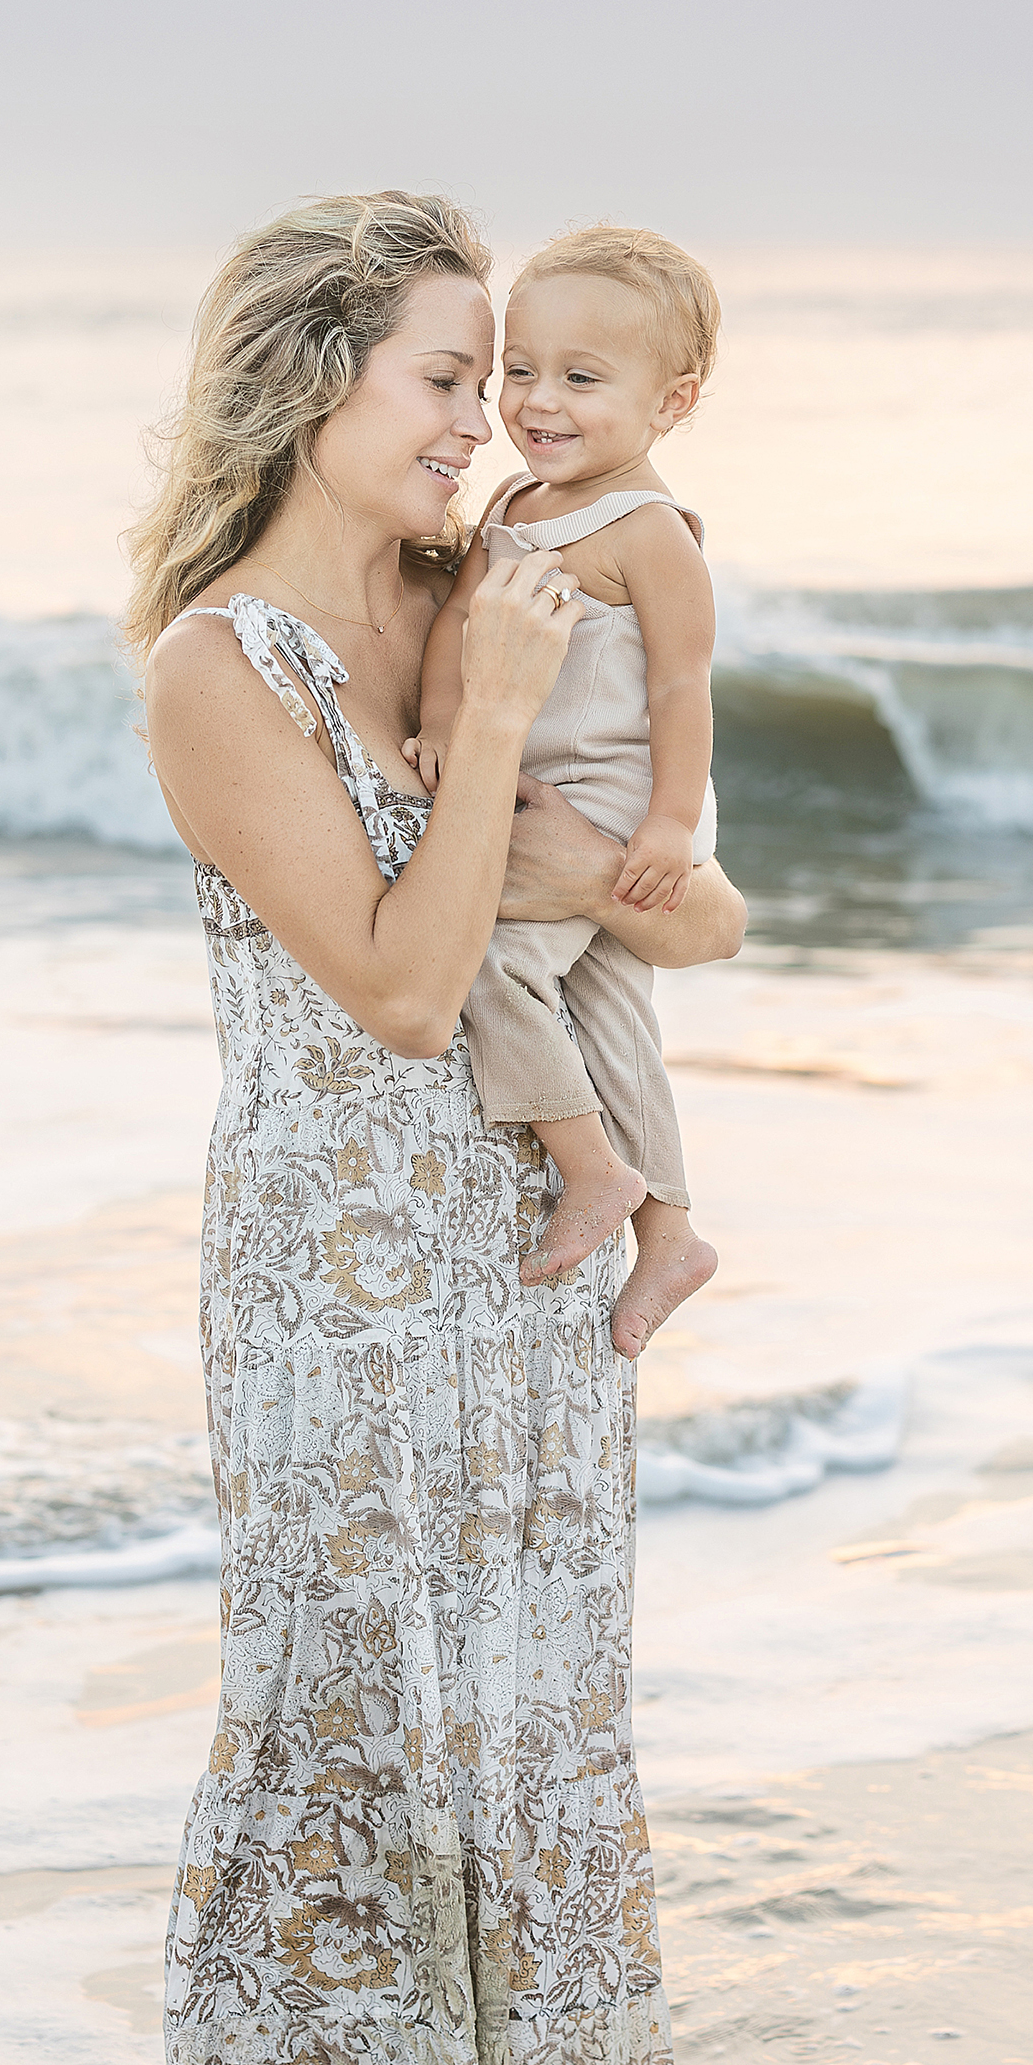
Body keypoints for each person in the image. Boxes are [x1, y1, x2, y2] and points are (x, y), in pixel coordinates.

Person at [125, 190, 745, 2065]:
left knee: (533, 1700)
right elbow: (399, 989)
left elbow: (715, 914)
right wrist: (489, 743)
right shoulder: (222, 669)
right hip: (339, 1278)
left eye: (498, 379)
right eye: (445, 377)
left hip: (538, 1258)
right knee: (353, 1694)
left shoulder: (493, 579)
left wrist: (603, 847)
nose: (487, 421)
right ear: (317, 383)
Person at [406, 225, 721, 1364]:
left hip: (627, 801)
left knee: (494, 966)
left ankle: (592, 1171)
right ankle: (672, 1232)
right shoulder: (511, 503)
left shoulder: (647, 533)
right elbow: (459, 625)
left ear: (670, 401)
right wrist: (443, 718)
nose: (539, 403)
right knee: (611, 1016)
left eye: (582, 380)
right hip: (547, 784)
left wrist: (671, 826)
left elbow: (685, 689)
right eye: (518, 373)